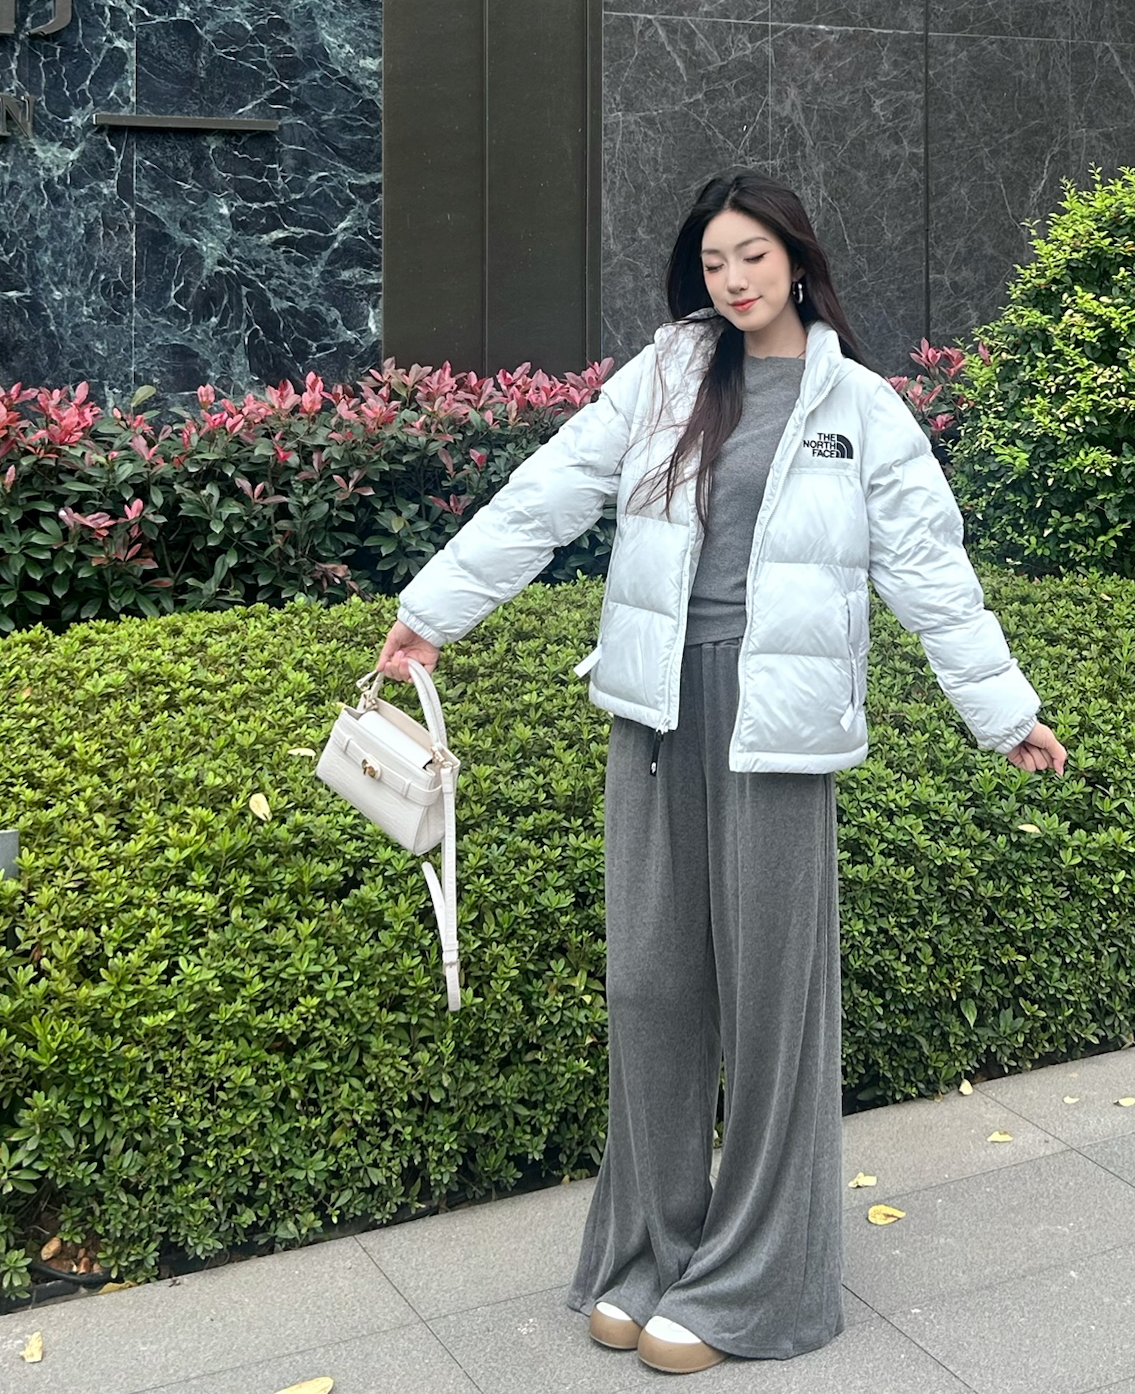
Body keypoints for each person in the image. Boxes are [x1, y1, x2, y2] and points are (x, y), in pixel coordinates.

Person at [375, 170, 1067, 1375]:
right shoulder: (667, 377)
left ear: (797, 260)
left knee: (769, 1004)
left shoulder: (860, 406)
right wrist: (433, 612)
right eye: (713, 262)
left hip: (777, 730)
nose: (734, 279)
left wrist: (1003, 710)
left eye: (752, 255)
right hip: (657, 710)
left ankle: (756, 1278)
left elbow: (930, 570)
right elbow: (548, 493)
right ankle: (653, 1247)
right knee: (651, 987)